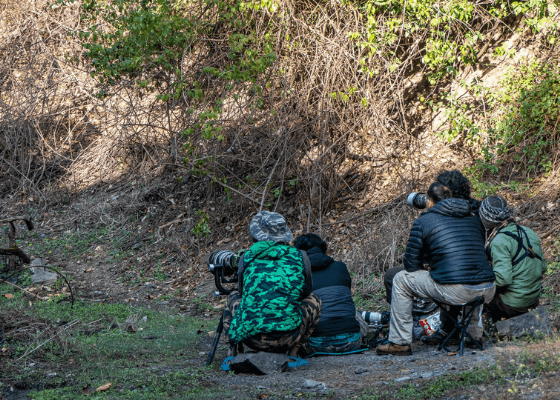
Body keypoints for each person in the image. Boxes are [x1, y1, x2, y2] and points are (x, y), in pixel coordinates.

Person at [377, 171, 496, 356]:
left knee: (400, 279)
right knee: (470, 274)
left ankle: (399, 342)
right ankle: (473, 336)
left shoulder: (424, 221)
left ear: (430, 201)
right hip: (487, 288)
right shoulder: (475, 216)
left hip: (456, 290)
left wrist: (433, 263)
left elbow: (411, 265)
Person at [221, 211, 321, 357]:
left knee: (233, 296)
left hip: (250, 339)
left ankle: (231, 354)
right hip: (289, 337)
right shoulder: (300, 256)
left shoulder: (247, 257)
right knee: (315, 300)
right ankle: (293, 355)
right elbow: (306, 292)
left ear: (257, 235)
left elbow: (243, 294)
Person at [293, 233, 368, 355]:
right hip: (353, 342)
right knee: (353, 312)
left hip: (316, 345)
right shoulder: (340, 267)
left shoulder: (298, 273)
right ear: (323, 249)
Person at [479, 196, 546, 323]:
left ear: (486, 219)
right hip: (533, 300)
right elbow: (542, 267)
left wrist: (480, 285)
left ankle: (490, 329)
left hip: (514, 304)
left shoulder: (499, 240)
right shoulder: (529, 232)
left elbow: (503, 279)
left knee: (477, 299)